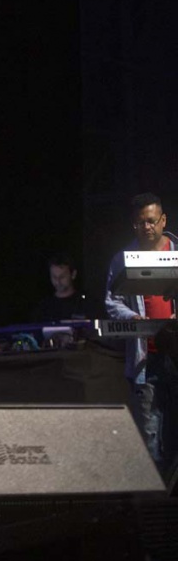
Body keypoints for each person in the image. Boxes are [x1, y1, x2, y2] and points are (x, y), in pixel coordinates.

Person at [105, 192, 178, 478]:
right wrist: (134, 318)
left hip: (176, 354)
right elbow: (112, 302)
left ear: (163, 220)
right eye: (140, 223)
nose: (146, 227)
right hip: (146, 358)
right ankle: (154, 495)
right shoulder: (122, 259)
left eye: (151, 221)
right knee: (150, 432)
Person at [31, 254, 95, 322]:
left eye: (62, 276)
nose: (58, 281)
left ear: (73, 274)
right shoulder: (43, 307)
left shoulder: (87, 304)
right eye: (54, 277)